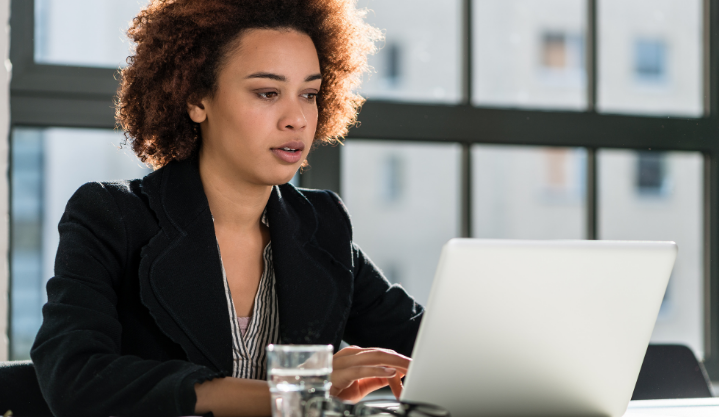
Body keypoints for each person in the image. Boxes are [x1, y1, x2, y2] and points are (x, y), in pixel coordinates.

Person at [29, 1, 424, 416]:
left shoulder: (322, 225)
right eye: (268, 93)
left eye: (309, 94)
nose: (297, 119)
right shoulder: (112, 217)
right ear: (197, 99)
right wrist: (295, 393)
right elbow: (74, 377)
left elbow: (427, 344)